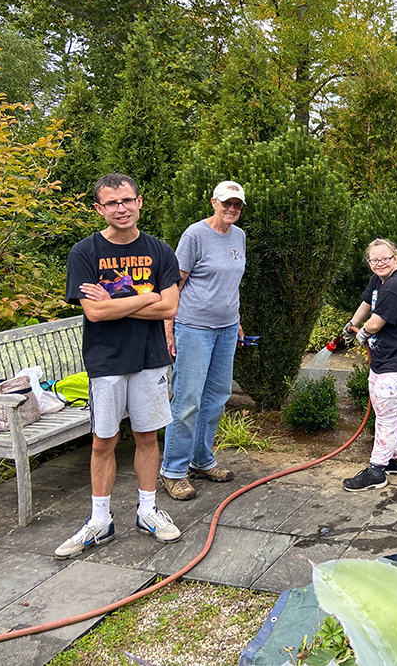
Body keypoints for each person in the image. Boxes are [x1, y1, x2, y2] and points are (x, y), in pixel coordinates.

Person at [55, 173, 182, 559]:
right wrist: (145, 297)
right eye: (111, 203)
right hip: (106, 361)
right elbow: (93, 313)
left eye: (126, 200)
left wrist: (114, 299)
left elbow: (171, 307)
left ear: (139, 202)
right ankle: (100, 521)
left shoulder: (160, 252)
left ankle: (147, 511)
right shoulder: (85, 253)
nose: (120, 209)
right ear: (99, 209)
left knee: (147, 436)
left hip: (149, 359)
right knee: (103, 441)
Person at [160, 181, 247, 501]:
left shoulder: (239, 236)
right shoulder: (194, 235)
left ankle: (200, 460)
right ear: (214, 202)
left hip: (225, 329)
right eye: (227, 203)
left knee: (216, 398)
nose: (232, 209)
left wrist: (236, 321)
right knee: (187, 401)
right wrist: (169, 329)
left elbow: (231, 284)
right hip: (193, 328)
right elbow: (174, 284)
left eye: (237, 204)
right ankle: (173, 470)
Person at [342, 238, 397, 492]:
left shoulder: (396, 287)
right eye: (375, 260)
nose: (380, 263)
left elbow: (375, 323)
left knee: (387, 416)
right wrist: (351, 324)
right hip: (389, 359)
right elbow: (367, 304)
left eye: (385, 258)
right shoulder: (379, 280)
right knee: (389, 413)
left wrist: (361, 334)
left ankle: (376, 471)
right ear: (369, 262)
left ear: (396, 258)